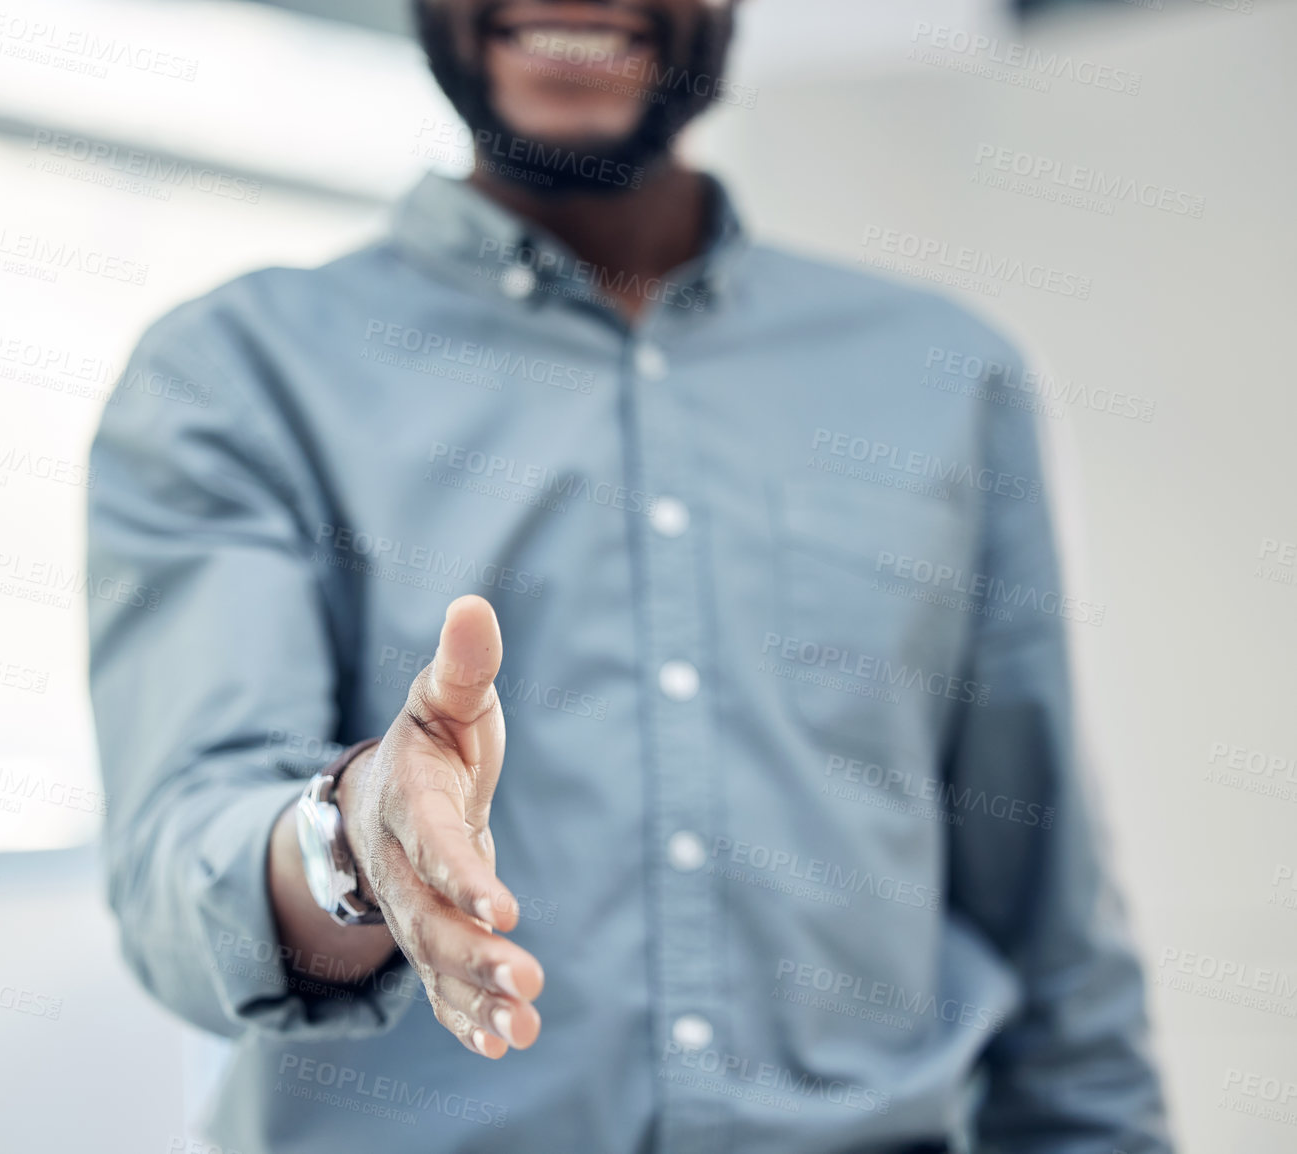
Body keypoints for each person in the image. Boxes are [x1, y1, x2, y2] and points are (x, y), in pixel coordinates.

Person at [86, 1, 1172, 1150]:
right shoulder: (236, 374)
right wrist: (357, 837)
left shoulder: (950, 377)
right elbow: (178, 881)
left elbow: (1048, 917)